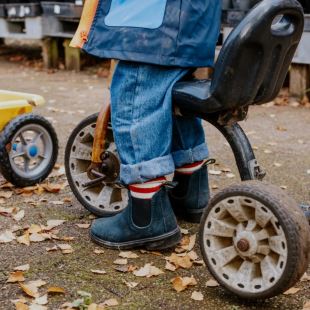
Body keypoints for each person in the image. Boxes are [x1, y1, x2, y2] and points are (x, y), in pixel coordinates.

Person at [71, 0, 221, 250]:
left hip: (150, 22)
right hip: (190, 21)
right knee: (171, 96)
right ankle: (191, 193)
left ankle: (147, 218)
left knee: (136, 97)